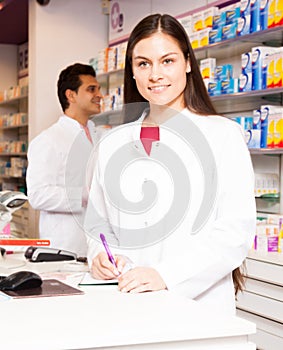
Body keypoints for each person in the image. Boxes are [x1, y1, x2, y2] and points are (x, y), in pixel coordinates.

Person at [84, 14, 256, 316]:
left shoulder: (222, 135)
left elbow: (234, 233)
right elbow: (99, 224)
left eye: (167, 61)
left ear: (188, 63)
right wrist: (99, 255)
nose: (155, 75)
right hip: (127, 306)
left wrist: (166, 274)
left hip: (199, 311)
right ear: (133, 72)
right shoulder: (112, 144)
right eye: (143, 64)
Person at [26, 63, 102, 257]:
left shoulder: (99, 135)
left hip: (99, 244)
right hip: (65, 247)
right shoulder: (48, 140)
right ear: (71, 95)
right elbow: (38, 195)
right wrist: (85, 196)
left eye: (99, 89)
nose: (99, 95)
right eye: (91, 89)